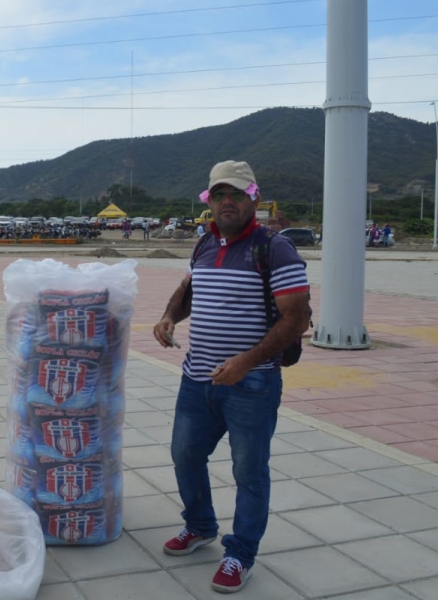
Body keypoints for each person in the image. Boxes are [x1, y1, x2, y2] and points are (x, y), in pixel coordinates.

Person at [152, 160, 310, 594]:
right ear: (209, 201)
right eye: (218, 194)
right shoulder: (205, 243)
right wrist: (169, 316)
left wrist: (246, 361)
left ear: (253, 199)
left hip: (252, 384)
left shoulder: (275, 249)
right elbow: (191, 291)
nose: (226, 202)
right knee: (184, 455)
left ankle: (240, 552)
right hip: (196, 379)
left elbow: (296, 318)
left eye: (236, 194)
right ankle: (200, 525)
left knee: (249, 471)